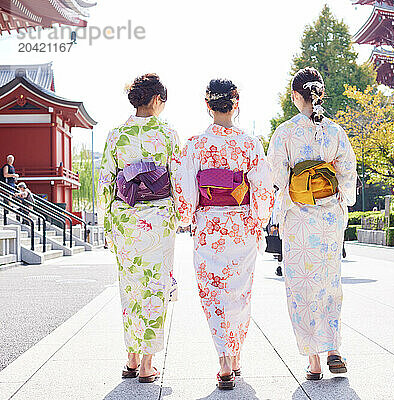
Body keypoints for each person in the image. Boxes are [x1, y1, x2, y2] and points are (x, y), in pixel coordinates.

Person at [173, 79, 274, 390]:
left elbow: (185, 193)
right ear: (236, 101)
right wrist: (260, 219)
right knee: (239, 294)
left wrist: (187, 215)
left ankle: (224, 360)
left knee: (212, 295)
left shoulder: (194, 145)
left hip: (208, 228)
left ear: (207, 104)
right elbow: (263, 189)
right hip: (241, 227)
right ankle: (236, 354)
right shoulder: (250, 143)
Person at [267, 67, 357, 381]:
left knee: (301, 285)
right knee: (330, 282)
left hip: (298, 216)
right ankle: (334, 349)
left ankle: (315, 361)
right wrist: (337, 197)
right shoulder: (335, 131)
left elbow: (277, 176)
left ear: (295, 96)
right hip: (329, 216)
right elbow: (347, 174)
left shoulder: (285, 132)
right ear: (320, 94)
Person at [98, 73, 181, 383]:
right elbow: (177, 181)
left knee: (131, 288)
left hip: (126, 218)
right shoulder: (168, 135)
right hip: (158, 220)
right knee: (155, 288)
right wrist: (182, 216)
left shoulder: (116, 134)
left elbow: (106, 182)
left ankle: (131, 358)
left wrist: (108, 225)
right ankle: (147, 364)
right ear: (157, 100)